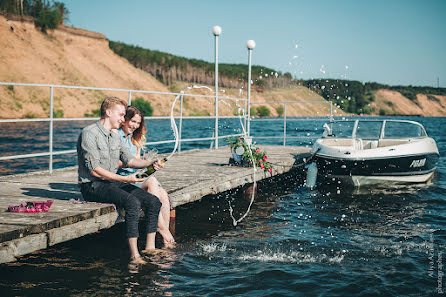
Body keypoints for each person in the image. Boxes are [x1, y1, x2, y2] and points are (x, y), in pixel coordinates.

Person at [77, 96, 164, 265]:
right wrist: (125, 179)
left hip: (111, 182)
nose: (123, 119)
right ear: (108, 113)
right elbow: (94, 170)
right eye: (121, 114)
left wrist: (150, 163)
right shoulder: (89, 133)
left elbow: (129, 160)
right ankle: (134, 255)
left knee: (153, 201)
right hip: (92, 185)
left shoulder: (115, 135)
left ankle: (150, 247)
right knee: (132, 202)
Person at [116, 106, 175, 247]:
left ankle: (164, 238)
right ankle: (162, 230)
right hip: (122, 180)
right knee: (153, 183)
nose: (135, 126)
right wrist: (136, 165)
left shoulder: (133, 138)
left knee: (163, 196)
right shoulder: (115, 136)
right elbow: (114, 163)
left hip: (135, 176)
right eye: (133, 121)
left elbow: (136, 162)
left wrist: (149, 166)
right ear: (124, 119)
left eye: (138, 123)